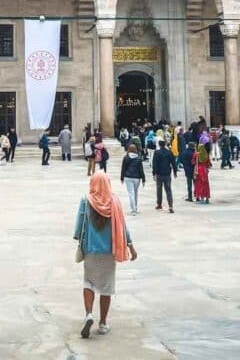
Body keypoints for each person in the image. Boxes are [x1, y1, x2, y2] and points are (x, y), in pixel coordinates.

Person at [73, 173, 137, 338]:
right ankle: (102, 323)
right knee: (106, 288)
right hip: (109, 250)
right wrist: (131, 245)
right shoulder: (114, 201)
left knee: (88, 282)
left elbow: (80, 224)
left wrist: (77, 237)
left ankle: (88, 314)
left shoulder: (86, 200)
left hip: (90, 250)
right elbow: (122, 225)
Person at [152, 139, 178, 213]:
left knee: (159, 190)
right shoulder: (169, 152)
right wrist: (175, 172)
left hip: (159, 174)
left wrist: (154, 173)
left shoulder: (157, 152)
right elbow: (173, 162)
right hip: (167, 174)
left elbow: (154, 164)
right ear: (165, 144)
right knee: (168, 190)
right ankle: (170, 206)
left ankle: (159, 204)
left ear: (159, 145)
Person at [119, 144, 145, 215]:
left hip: (128, 177)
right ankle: (135, 207)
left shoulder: (126, 157)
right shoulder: (138, 158)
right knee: (135, 193)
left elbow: (123, 168)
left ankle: (133, 209)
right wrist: (143, 179)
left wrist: (121, 178)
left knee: (131, 193)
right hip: (137, 178)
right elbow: (141, 170)